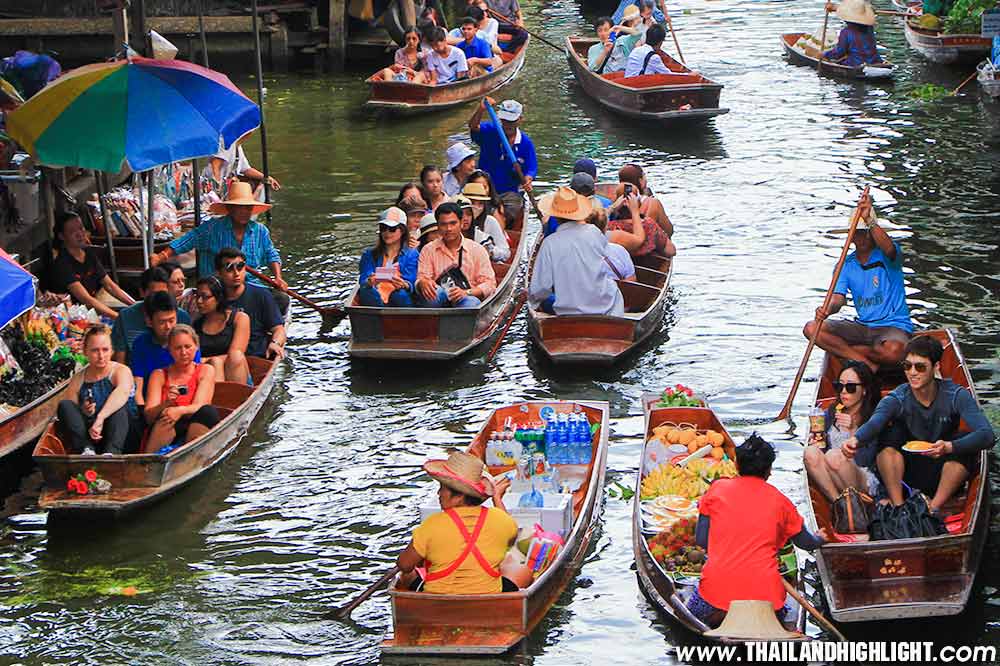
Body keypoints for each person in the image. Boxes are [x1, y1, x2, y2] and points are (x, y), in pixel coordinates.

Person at [687, 434, 828, 628]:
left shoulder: (716, 489)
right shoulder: (782, 502)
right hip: (767, 599)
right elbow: (806, 543)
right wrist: (820, 538)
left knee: (692, 607)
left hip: (716, 594)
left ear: (736, 465)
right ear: (769, 471)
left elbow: (702, 541)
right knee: (785, 607)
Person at [843, 336, 996, 511]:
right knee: (890, 434)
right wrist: (856, 440)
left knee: (963, 441)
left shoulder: (956, 395)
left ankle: (933, 508)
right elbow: (876, 422)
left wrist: (948, 447)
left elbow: (987, 435)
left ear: (936, 367)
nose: (912, 372)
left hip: (943, 470)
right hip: (907, 473)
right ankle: (899, 506)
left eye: (920, 367)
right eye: (907, 366)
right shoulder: (897, 397)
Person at [803, 208, 911, 370]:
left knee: (894, 352)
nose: (864, 237)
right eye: (859, 232)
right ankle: (866, 363)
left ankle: (852, 353)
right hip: (863, 327)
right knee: (812, 328)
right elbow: (838, 299)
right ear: (851, 235)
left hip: (893, 326)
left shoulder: (888, 256)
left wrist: (869, 220)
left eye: (867, 232)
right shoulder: (845, 265)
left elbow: (889, 248)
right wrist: (826, 309)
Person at [397, 450, 519, 593]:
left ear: (459, 496)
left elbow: (404, 565)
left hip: (438, 602)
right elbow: (509, 541)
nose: (439, 494)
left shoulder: (431, 524)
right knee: (519, 569)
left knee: (406, 576)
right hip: (488, 598)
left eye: (442, 488)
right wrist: (497, 499)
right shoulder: (501, 519)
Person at [153, 181, 286, 296]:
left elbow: (271, 254)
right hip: (216, 287)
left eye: (248, 208)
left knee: (281, 299)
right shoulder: (211, 228)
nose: (244, 212)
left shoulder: (260, 231)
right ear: (230, 208)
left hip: (249, 285)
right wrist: (161, 256)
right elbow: (186, 241)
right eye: (240, 208)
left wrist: (278, 278)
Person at [529, 187, 624, 317]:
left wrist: (532, 300)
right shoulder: (593, 232)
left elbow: (540, 289)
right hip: (606, 306)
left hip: (568, 311)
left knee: (544, 298)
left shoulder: (549, 243)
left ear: (555, 216)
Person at [803, 361, 881, 502]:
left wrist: (853, 431)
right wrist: (818, 440)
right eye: (839, 386)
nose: (843, 391)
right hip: (833, 473)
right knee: (810, 452)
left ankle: (854, 502)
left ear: (864, 390)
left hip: (863, 475)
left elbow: (867, 460)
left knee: (834, 456)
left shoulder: (873, 417)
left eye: (850, 387)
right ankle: (838, 503)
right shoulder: (833, 412)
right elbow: (822, 447)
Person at [57, 325, 137, 455]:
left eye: (105, 350)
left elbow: (121, 394)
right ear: (85, 352)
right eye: (95, 351)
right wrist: (85, 411)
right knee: (64, 405)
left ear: (112, 351)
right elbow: (72, 412)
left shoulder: (121, 371)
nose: (101, 356)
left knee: (119, 409)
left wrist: (100, 418)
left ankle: (112, 453)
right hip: (93, 434)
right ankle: (86, 449)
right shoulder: (78, 379)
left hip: (123, 433)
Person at [143, 325, 220, 452]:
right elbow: (149, 417)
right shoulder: (158, 375)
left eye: (188, 347)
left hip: (195, 422)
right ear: (170, 350)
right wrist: (166, 403)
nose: (184, 353)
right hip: (167, 425)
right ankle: (150, 461)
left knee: (207, 412)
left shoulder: (206, 370)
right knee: (166, 417)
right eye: (178, 348)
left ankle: (190, 455)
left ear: (196, 347)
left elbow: (201, 405)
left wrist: (179, 410)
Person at [47, 212, 136, 319]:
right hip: (74, 317)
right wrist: (118, 317)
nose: (80, 234)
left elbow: (110, 285)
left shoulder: (88, 253)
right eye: (72, 231)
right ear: (62, 236)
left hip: (92, 310)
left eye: (81, 228)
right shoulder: (62, 264)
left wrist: (135, 306)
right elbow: (86, 299)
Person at [415, 202, 497, 308]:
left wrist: (466, 292)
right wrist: (422, 283)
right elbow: (422, 277)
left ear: (461, 223)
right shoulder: (428, 250)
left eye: (453, 223)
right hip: (439, 298)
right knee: (434, 293)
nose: (448, 229)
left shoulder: (477, 250)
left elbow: (489, 284)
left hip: (467, 298)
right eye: (443, 224)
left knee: (470, 303)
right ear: (438, 226)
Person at [468, 97, 537, 221]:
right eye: (505, 121)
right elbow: (473, 127)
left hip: (509, 192)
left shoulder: (526, 143)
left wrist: (528, 178)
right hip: (485, 189)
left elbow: (532, 168)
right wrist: (481, 110)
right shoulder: (491, 131)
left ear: (520, 120)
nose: (507, 125)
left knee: (508, 212)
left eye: (512, 121)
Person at [130, 291, 202, 407]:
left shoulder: (187, 340)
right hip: (153, 404)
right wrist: (142, 410)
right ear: (149, 321)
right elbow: (137, 383)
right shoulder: (141, 344)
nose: (168, 327)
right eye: (162, 322)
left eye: (171, 320)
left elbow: (194, 376)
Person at [215, 247, 287, 360]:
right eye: (229, 269)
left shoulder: (261, 295)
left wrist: (275, 343)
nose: (236, 273)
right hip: (223, 357)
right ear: (219, 273)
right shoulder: (214, 298)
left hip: (256, 357)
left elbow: (278, 329)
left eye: (240, 267)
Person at [111, 267, 193, 364]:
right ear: (142, 292)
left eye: (163, 293)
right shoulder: (125, 317)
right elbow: (120, 359)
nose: (158, 299)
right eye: (154, 294)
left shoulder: (182, 317)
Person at [192, 276, 251, 385]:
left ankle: (236, 397)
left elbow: (236, 353)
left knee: (234, 356)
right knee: (215, 363)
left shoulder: (239, 318)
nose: (199, 301)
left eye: (205, 297)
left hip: (236, 373)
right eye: (197, 296)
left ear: (218, 298)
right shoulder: (196, 325)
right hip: (210, 375)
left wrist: (206, 360)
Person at [358, 207, 419, 307]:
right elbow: (364, 278)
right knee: (368, 292)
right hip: (375, 296)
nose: (387, 232)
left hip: (400, 297)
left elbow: (411, 280)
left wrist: (405, 284)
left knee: (401, 295)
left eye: (392, 229)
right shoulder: (369, 254)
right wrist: (370, 281)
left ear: (402, 231)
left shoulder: (412, 254)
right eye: (383, 228)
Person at [205, 139, 281, 199]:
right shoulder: (225, 142)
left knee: (257, 184)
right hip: (214, 189)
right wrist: (218, 190)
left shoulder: (237, 146)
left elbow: (246, 169)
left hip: (228, 187)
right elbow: (215, 166)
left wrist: (266, 177)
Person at [616, 163, 675, 240]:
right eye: (644, 175)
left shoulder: (615, 203)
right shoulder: (652, 202)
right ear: (640, 181)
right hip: (644, 239)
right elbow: (669, 231)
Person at [822, 0, 884, 68]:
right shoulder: (869, 27)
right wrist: (834, 7)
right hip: (875, 61)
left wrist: (824, 54)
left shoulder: (846, 32)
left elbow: (839, 52)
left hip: (855, 63)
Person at [460, 183, 511, 261]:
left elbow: (506, 252)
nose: (476, 208)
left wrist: (490, 251)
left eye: (480, 204)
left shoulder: (490, 221)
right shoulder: (454, 222)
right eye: (473, 203)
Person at [587, 207, 636, 282]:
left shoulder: (579, 253)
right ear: (606, 227)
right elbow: (632, 280)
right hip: (616, 292)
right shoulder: (619, 250)